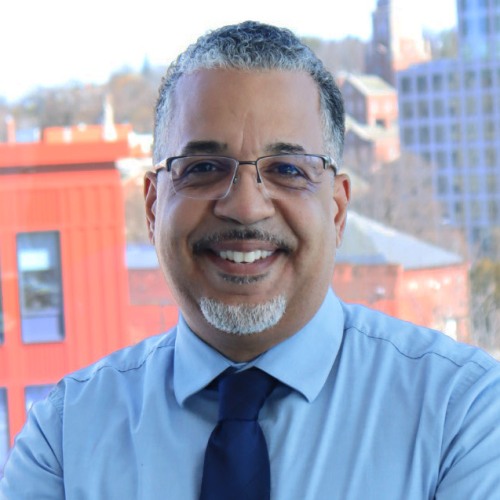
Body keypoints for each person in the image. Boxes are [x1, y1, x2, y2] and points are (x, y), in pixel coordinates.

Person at [1, 21, 500, 500]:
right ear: (153, 207)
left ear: (337, 208)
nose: (243, 205)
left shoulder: (462, 415)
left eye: (286, 169)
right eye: (202, 168)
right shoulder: (65, 438)